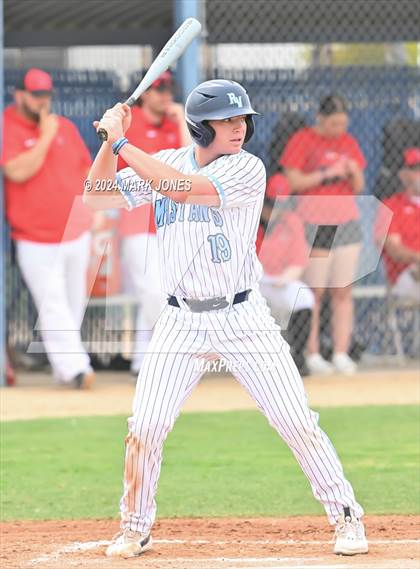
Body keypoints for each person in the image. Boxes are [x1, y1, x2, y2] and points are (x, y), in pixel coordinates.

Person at [84, 80, 368, 558]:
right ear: (200, 126)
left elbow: (184, 189)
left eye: (242, 119)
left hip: (242, 316)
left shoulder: (246, 169)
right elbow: (97, 197)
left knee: (295, 420)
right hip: (179, 321)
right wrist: (108, 148)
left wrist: (123, 143)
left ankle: (345, 515)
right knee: (146, 426)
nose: (239, 128)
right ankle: (134, 526)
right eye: (227, 120)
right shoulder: (167, 159)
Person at [2, 68, 95, 389]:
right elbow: (16, 171)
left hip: (75, 231)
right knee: (53, 304)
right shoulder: (8, 126)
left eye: (46, 95)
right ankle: (77, 369)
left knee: (74, 304)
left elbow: (86, 171)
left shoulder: (66, 127)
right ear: (20, 95)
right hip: (35, 237)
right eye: (36, 95)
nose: (42, 101)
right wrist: (44, 136)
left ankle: (64, 369)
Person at [281, 95, 367, 376]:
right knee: (314, 291)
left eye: (342, 123)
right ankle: (313, 352)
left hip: (346, 220)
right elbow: (294, 181)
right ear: (320, 118)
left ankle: (341, 352)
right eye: (333, 123)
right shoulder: (302, 140)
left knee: (343, 290)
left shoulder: (348, 142)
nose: (338, 129)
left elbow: (358, 185)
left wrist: (351, 171)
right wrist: (328, 173)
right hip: (317, 222)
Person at [118, 71, 191, 375]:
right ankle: (170, 357)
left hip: (170, 224)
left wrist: (183, 122)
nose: (165, 95)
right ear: (145, 93)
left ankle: (142, 361)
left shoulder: (175, 125)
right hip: (137, 222)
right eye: (158, 88)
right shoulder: (130, 121)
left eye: (169, 89)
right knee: (152, 292)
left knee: (165, 291)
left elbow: (192, 162)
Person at [257, 172, 314, 376]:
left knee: (304, 296)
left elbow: (298, 261)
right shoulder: (247, 219)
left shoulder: (291, 221)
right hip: (248, 282)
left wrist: (288, 277)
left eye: (279, 205)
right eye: (270, 204)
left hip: (279, 281)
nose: (274, 210)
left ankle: (298, 355)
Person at [375, 147, 420, 302]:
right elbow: (394, 249)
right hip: (407, 275)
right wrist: (417, 258)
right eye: (416, 169)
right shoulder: (391, 206)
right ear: (402, 175)